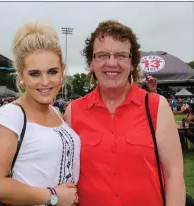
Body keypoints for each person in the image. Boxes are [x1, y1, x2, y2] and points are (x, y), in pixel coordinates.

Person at [64, 20, 185, 206]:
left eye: (121, 55)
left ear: (132, 62)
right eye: (102, 55)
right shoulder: (73, 111)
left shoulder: (156, 106)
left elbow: (174, 174)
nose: (112, 63)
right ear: (91, 63)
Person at [0, 22, 80, 206]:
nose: (45, 81)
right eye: (34, 73)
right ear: (21, 76)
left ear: (62, 71)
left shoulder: (56, 112)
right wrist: (52, 196)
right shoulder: (12, 115)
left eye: (52, 72)